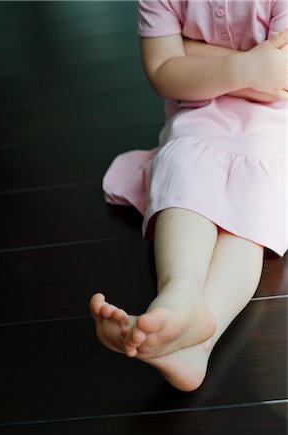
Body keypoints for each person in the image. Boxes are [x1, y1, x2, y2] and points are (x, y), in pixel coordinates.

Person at [90, 0, 287, 391]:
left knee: (245, 219)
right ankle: (180, 291)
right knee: (183, 170)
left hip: (277, 123)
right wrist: (247, 66)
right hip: (202, 112)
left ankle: (197, 340)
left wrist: (192, 56)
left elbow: (281, 76)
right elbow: (164, 72)